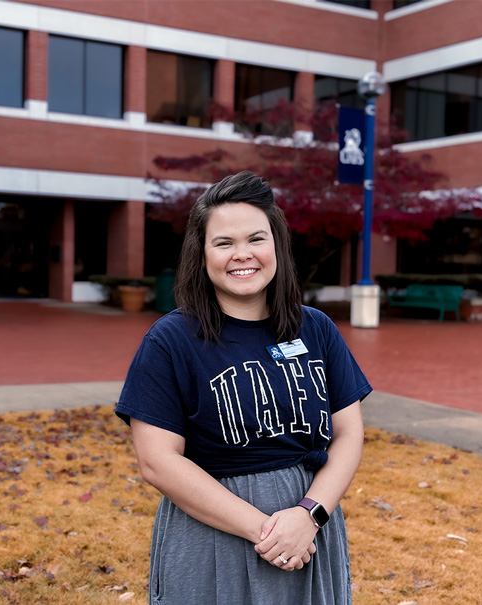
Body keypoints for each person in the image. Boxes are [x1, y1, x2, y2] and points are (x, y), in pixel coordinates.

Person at [115, 171, 371, 604]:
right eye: (224, 243)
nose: (242, 255)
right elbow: (157, 461)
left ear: (276, 246)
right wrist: (269, 532)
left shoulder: (317, 329)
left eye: (256, 238)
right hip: (216, 532)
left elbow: (349, 433)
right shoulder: (170, 340)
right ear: (202, 254)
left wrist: (309, 515)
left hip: (310, 528)